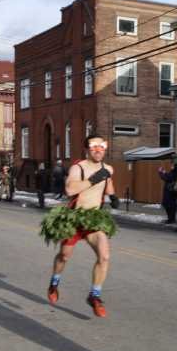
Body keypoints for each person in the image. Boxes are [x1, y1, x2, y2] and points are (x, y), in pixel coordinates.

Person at [40, 135, 118, 318]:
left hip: (94, 219)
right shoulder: (78, 168)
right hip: (74, 218)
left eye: (101, 146)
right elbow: (69, 190)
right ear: (86, 149)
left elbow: (108, 185)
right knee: (64, 256)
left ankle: (94, 296)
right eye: (94, 146)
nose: (98, 150)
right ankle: (54, 283)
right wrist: (93, 179)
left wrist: (113, 196)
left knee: (104, 256)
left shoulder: (108, 169)